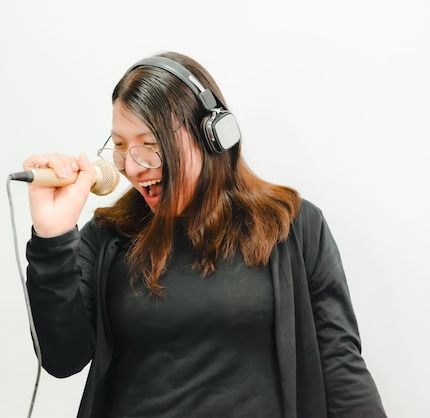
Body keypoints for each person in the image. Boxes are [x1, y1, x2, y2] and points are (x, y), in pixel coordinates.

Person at [21, 51, 386, 418]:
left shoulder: (292, 226)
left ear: (212, 134)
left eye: (150, 145)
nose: (133, 167)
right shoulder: (106, 237)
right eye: (119, 147)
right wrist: (52, 238)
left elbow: (341, 365)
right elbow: (62, 358)